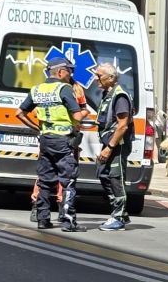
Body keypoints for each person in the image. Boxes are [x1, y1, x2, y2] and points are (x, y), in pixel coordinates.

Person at [16, 55, 92, 231]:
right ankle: (68, 222)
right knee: (68, 181)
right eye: (69, 70)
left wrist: (37, 128)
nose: (71, 74)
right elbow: (77, 116)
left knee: (44, 180)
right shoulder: (64, 89)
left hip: (45, 140)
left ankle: (43, 219)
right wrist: (86, 112)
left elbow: (19, 113)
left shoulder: (37, 89)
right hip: (64, 141)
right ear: (60, 71)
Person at [88, 63, 135, 231]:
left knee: (116, 178)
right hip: (109, 143)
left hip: (117, 145)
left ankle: (119, 217)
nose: (95, 79)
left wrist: (109, 147)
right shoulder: (108, 94)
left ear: (111, 78)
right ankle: (120, 211)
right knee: (102, 172)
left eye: (98, 76)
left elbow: (122, 126)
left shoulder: (119, 96)